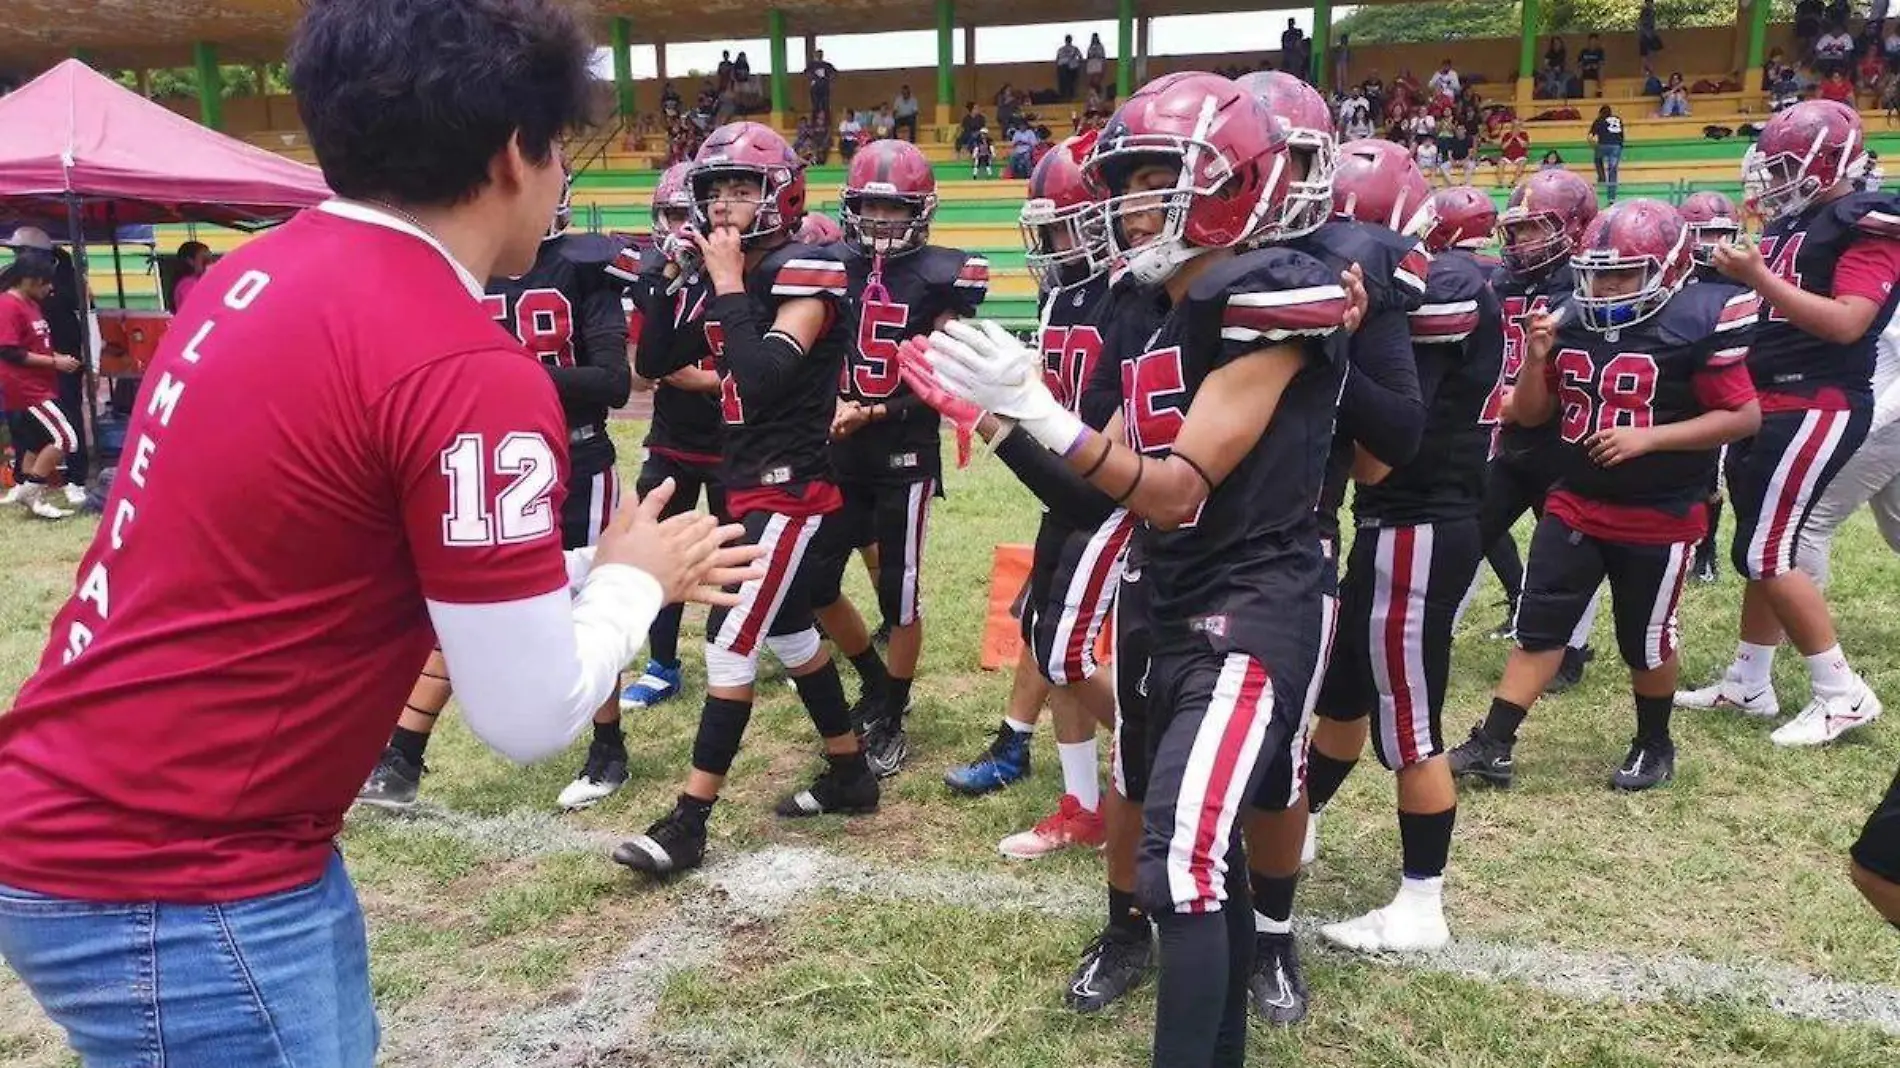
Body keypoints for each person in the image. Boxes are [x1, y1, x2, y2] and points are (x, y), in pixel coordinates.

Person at [0, 1, 758, 1063]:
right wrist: (629, 586)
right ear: (513, 153)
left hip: (109, 816)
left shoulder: (246, 277)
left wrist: (605, 561)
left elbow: (340, 554)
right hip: (182, 869)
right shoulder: (463, 364)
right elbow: (531, 711)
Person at [912, 69, 1359, 1068]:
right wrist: (997, 421)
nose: (1128, 201)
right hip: (1164, 604)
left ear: (1227, 182)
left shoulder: (1269, 289)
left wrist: (1042, 412)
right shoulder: (1158, 312)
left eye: (1156, 175)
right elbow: (1091, 494)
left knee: (1188, 863)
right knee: (1180, 852)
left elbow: (1174, 490)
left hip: (1250, 607)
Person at [613, 121, 876, 877]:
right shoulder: (721, 269)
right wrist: (670, 282)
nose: (726, 205)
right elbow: (657, 363)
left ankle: (690, 821)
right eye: (714, 190)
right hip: (748, 484)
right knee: (792, 636)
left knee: (729, 642)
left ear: (780, 192)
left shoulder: (808, 269)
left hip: (790, 491)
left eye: (742, 188)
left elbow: (759, 381)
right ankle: (850, 772)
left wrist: (725, 283)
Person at [357, 166, 640, 811]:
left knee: (583, 602)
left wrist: (501, 376)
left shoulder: (582, 270)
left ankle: (608, 747)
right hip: (482, 461)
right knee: (465, 605)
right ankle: (402, 754)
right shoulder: (457, 267)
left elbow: (611, 384)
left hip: (576, 459)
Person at [1475, 199, 1762, 791]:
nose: (1602, 287)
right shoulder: (1571, 318)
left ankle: (1654, 743)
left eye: (1621, 273)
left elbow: (1742, 416)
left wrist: (1650, 439)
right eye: (1595, 272)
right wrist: (1535, 360)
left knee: (1645, 640)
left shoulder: (1697, 320)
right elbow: (1530, 414)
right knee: (1541, 622)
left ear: (1670, 268)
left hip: (1659, 509)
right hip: (1575, 497)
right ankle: (1493, 743)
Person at [1679, 101, 1900, 746]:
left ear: (1827, 161)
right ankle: (1750, 679)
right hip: (1773, 398)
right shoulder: (1794, 224)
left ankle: (1842, 692)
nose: (1769, 178)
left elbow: (1848, 322)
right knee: (1757, 545)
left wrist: (1758, 278)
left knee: (1767, 551)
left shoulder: (1862, 220)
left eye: (1781, 165)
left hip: (1820, 399)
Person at [942, 132, 1121, 809]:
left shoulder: (1134, 297)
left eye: (1064, 229)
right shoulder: (1063, 297)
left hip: (1115, 488)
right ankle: (1047, 769)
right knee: (1047, 626)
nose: (1051, 247)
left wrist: (987, 417)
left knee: (1073, 645)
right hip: (1066, 476)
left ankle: (1155, 762)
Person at [815, 138, 990, 779]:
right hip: (839, 448)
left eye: (896, 209)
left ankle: (892, 709)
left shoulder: (943, 275)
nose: (882, 221)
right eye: (871, 206)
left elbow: (943, 385)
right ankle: (871, 678)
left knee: (901, 597)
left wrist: (873, 410)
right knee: (815, 584)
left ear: (922, 210)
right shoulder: (828, 263)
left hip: (904, 453)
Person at [1457, 168, 1605, 739]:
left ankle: (1572, 646)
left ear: (1574, 227)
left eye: (1532, 230)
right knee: (1469, 528)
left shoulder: (1588, 282)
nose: (1517, 243)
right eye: (1513, 231)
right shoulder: (1504, 283)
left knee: (1564, 551)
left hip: (1566, 437)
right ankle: (1434, 623)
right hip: (1513, 437)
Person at [613, 163, 728, 714]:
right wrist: (704, 376)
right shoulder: (655, 281)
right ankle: (662, 665)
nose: (680, 226)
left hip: (734, 439)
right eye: (672, 214)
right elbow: (641, 371)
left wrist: (696, 375)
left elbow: (748, 369)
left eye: (689, 214)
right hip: (674, 437)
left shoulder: (735, 272)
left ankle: (738, 654)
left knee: (737, 554)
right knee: (656, 548)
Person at [1679, 189, 1745, 584]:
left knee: (1711, 479)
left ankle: (1706, 548)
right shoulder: (1674, 277)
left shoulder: (1743, 280)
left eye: (1723, 235)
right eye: (1705, 235)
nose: (1716, 246)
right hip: (1679, 380)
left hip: (1724, 384)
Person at [0, 255, 81, 520]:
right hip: (28, 388)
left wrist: (57, 357)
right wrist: (54, 362)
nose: (50, 289)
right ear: (29, 281)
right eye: (46, 283)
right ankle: (31, 489)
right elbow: (10, 352)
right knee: (65, 438)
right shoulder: (8, 306)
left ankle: (34, 501)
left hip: (42, 384)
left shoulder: (30, 304)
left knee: (37, 443)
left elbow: (36, 345)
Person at [1589, 104, 1625, 201]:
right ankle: (1611, 197)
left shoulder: (1599, 120)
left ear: (1600, 112)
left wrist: (1593, 146)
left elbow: (1590, 137)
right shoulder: (1618, 119)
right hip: (1616, 146)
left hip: (1603, 145)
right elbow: (1622, 134)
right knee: (1613, 171)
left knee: (1597, 159)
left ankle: (1601, 177)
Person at [171, 239, 213, 310]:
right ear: (190, 261)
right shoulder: (188, 284)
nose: (209, 263)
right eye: (205, 260)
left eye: (210, 259)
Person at [1500, 119, 1531, 188]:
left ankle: (1514, 182)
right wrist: (1511, 138)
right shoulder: (1507, 135)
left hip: (1520, 156)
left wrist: (1517, 137)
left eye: (1518, 126)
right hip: (1507, 156)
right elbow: (1503, 147)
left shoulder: (1524, 134)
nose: (1516, 127)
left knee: (1523, 162)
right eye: (1514, 126)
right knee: (1501, 163)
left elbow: (1525, 145)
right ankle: (1501, 183)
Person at [806, 49, 837, 117]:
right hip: (815, 87)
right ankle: (815, 121)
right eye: (817, 55)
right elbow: (807, 73)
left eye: (820, 55)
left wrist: (828, 79)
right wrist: (814, 78)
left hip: (824, 87)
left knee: (825, 105)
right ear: (814, 56)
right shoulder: (811, 65)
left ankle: (826, 120)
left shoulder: (827, 65)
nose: (818, 56)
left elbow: (834, 73)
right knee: (815, 105)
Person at [1056, 34, 1084, 100]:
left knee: (1064, 84)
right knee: (1071, 83)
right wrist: (1077, 64)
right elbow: (1080, 57)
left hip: (1062, 67)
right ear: (1071, 40)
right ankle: (1070, 96)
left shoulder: (1061, 49)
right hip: (1072, 67)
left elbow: (1057, 59)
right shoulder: (1075, 49)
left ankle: (1064, 97)